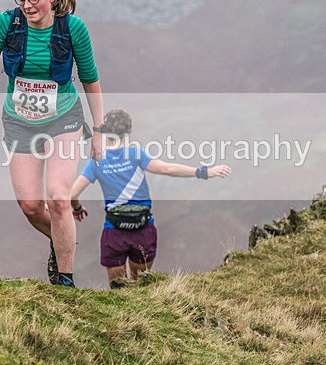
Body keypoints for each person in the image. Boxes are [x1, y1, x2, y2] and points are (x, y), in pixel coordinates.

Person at [0, 0, 104, 288]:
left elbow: (91, 81)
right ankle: (60, 237)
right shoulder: (6, 25)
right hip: (20, 123)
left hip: (64, 119)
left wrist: (98, 131)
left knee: (58, 199)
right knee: (32, 206)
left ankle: (65, 281)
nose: (28, 5)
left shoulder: (73, 29)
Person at [70, 109, 231, 289]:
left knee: (119, 291)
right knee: (142, 288)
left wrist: (76, 208)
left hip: (114, 231)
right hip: (143, 229)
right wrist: (204, 172)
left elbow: (72, 194)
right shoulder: (137, 154)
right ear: (128, 131)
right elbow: (166, 169)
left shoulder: (97, 161)